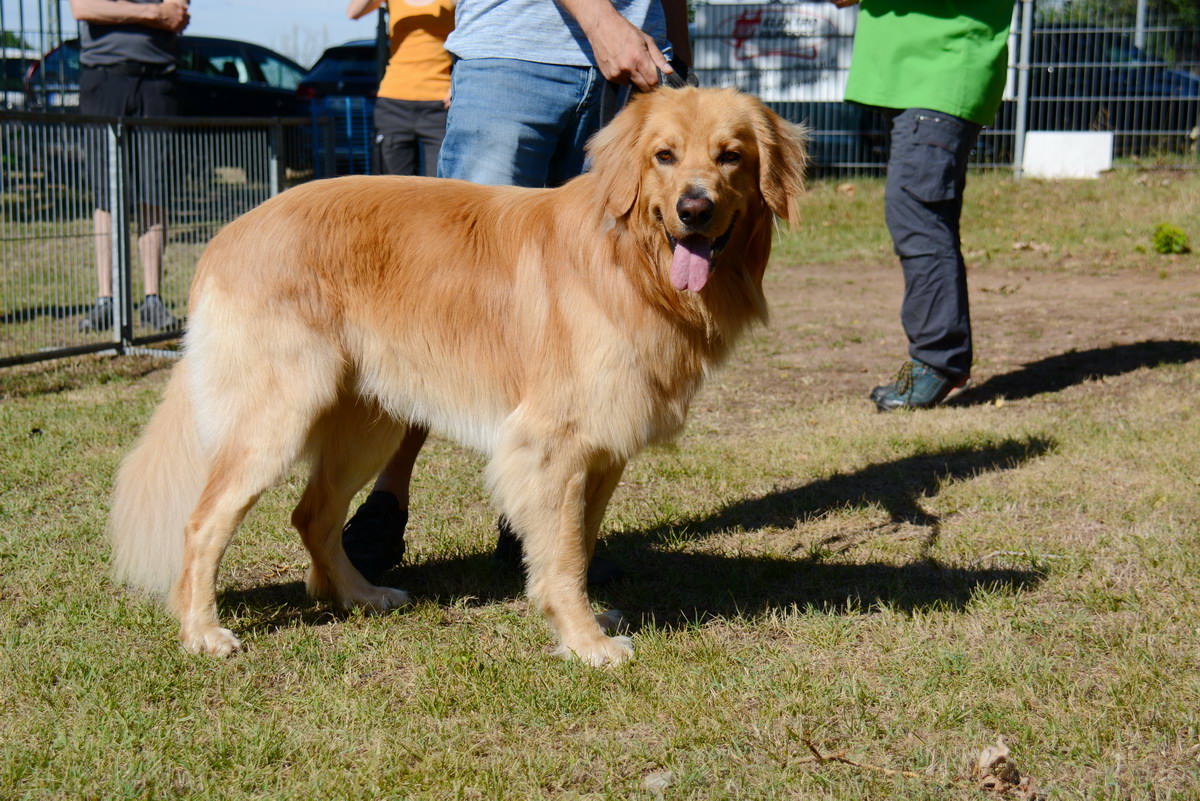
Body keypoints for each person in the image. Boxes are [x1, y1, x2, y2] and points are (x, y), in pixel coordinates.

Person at [341, 0, 692, 584]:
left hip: (640, 67)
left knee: (599, 314)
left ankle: (539, 521)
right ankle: (388, 498)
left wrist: (679, 50)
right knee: (447, 308)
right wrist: (601, 21)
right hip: (514, 56)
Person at [831, 0, 1012, 411]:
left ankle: (937, 362)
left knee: (918, 219)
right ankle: (936, 360)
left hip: (940, 74)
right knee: (921, 218)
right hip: (919, 77)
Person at [70, 0, 189, 333]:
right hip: (104, 81)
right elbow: (83, 8)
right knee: (106, 197)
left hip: (158, 85)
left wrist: (117, 9)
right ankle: (105, 300)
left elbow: (177, 13)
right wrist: (151, 13)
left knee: (155, 193)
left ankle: (153, 298)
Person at [346, 0, 454, 177]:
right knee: (392, 191)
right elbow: (353, 12)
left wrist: (457, 81)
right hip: (393, 103)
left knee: (440, 188)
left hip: (440, 105)